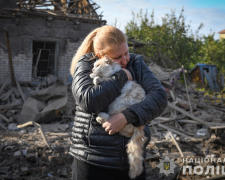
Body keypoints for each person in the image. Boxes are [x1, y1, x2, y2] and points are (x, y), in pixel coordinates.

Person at [69, 25, 168, 180]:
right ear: (100, 55)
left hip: (131, 158)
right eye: (117, 57)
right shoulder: (87, 64)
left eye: (126, 53)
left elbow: (160, 97)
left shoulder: (136, 63)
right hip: (93, 161)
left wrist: (127, 116)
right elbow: (88, 100)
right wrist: (121, 76)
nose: (125, 60)